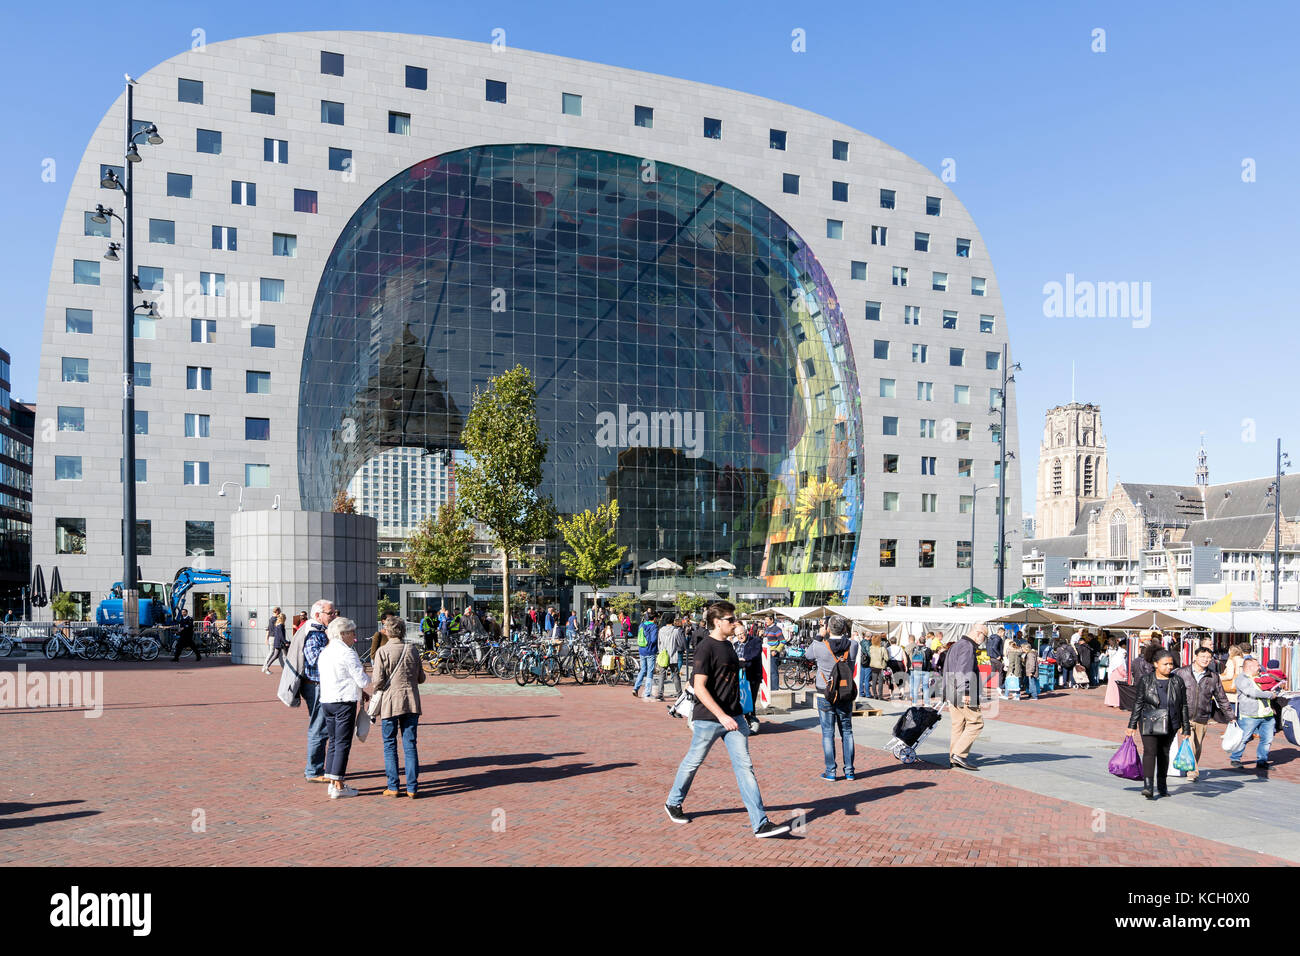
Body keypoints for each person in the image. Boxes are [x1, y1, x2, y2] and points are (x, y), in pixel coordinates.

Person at [664, 601, 791, 838]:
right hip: (710, 718)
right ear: (717, 622)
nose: (735, 623)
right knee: (694, 761)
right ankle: (673, 802)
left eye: (735, 619)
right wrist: (721, 716)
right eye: (730, 619)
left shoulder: (730, 646)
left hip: (734, 717)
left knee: (745, 768)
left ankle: (760, 823)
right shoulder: (706, 647)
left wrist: (738, 712)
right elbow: (699, 687)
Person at [317, 615, 373, 799]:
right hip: (343, 701)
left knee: (333, 741)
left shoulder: (325, 652)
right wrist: (366, 677)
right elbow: (362, 680)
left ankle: (333, 782)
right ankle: (339, 785)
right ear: (343, 634)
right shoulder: (347, 652)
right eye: (351, 632)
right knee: (342, 743)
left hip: (327, 699)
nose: (354, 636)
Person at [371, 617, 425, 797]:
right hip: (411, 701)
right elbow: (421, 678)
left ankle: (393, 786)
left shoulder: (382, 651)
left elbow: (377, 681)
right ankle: (412, 787)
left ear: (387, 631)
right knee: (410, 744)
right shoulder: (412, 649)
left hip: (390, 703)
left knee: (389, 744)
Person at [1126, 650, 1190, 799]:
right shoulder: (1146, 680)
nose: (1169, 667)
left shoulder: (1177, 680)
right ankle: (1148, 786)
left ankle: (1162, 785)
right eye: (1165, 664)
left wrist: (1185, 726)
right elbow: (1138, 703)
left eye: (1171, 664)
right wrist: (1132, 725)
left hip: (1171, 722)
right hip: (1150, 720)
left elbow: (1184, 705)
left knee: (1164, 753)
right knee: (1150, 751)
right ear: (1155, 664)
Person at [807, 614, 858, 782]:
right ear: (844, 629)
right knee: (847, 732)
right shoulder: (853, 645)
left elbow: (808, 655)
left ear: (828, 628)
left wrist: (819, 635)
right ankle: (849, 771)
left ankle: (831, 771)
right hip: (845, 693)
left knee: (828, 733)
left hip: (825, 694)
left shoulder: (820, 646)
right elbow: (852, 643)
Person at [1173, 645, 1231, 782]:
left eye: (1208, 658)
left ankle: (1189, 765)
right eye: (1203, 657)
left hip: (1202, 715)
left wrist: (1231, 716)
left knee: (1197, 745)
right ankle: (1192, 771)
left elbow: (1221, 697)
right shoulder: (1181, 673)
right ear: (1195, 657)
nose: (1206, 660)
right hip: (1184, 715)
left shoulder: (1213, 676)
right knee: (1190, 740)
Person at [298, 599, 338, 782]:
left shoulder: (321, 631)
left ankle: (318, 768)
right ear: (317, 615)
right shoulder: (314, 633)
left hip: (320, 685)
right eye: (330, 613)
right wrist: (331, 643)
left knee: (322, 727)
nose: (334, 615)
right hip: (315, 686)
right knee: (319, 728)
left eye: (335, 612)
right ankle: (313, 771)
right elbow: (315, 659)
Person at [942, 625, 987, 770]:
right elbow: (963, 670)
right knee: (976, 722)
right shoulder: (968, 647)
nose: (983, 640)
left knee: (958, 724)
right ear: (978, 633)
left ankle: (954, 757)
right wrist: (966, 691)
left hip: (951, 691)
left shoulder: (956, 645)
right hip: (962, 692)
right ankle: (959, 754)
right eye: (984, 637)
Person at [1229, 656, 1283, 770]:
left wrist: (1276, 689)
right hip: (1250, 715)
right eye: (1257, 665)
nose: (1260, 667)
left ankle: (1262, 760)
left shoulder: (1261, 677)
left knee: (1267, 739)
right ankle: (1235, 758)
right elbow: (1251, 692)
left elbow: (1270, 687)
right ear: (1249, 667)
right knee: (1244, 738)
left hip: (1266, 714)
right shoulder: (1241, 678)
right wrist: (1270, 695)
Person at [654, 613, 684, 701]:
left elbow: (659, 643)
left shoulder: (661, 630)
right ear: (672, 620)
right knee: (675, 675)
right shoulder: (676, 631)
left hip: (663, 655)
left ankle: (660, 694)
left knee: (662, 674)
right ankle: (679, 694)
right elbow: (680, 643)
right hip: (673, 655)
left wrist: (661, 651)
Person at [632, 611, 658, 699]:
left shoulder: (641, 625)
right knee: (650, 671)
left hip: (642, 649)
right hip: (650, 650)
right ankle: (647, 692)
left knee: (642, 670)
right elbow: (654, 639)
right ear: (654, 618)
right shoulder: (654, 626)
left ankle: (636, 687)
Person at [262, 607, 287, 674]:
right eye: (280, 611)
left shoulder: (271, 619)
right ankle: (265, 667)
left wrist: (266, 638)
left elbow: (268, 629)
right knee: (273, 653)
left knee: (277, 655)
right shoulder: (276, 620)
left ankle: (285, 669)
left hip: (272, 637)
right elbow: (279, 632)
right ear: (277, 611)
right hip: (275, 638)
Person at [908, 636, 932, 704]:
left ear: (918, 641)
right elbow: (930, 658)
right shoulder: (928, 650)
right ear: (925, 642)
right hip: (926, 670)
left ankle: (914, 703)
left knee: (916, 687)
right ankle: (926, 703)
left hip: (916, 669)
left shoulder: (915, 649)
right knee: (925, 687)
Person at [866, 635, 888, 700]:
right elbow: (887, 658)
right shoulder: (882, 648)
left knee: (874, 681)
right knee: (881, 682)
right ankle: (880, 696)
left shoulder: (871, 648)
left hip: (873, 666)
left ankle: (875, 695)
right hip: (880, 666)